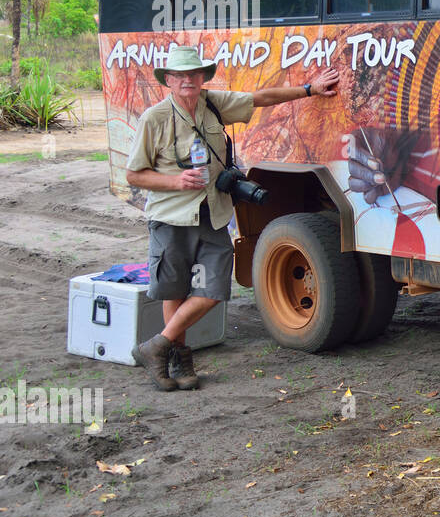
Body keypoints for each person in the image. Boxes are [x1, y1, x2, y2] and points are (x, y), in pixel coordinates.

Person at [125, 44, 340, 391]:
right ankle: (178, 361)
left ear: (201, 77)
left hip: (214, 213)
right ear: (169, 80)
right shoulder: (155, 118)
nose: (187, 81)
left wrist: (308, 90)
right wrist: (175, 181)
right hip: (171, 217)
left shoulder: (212, 103)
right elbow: (134, 175)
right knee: (175, 290)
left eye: (193, 74)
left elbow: (260, 98)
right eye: (179, 75)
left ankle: (157, 345)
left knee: (213, 289)